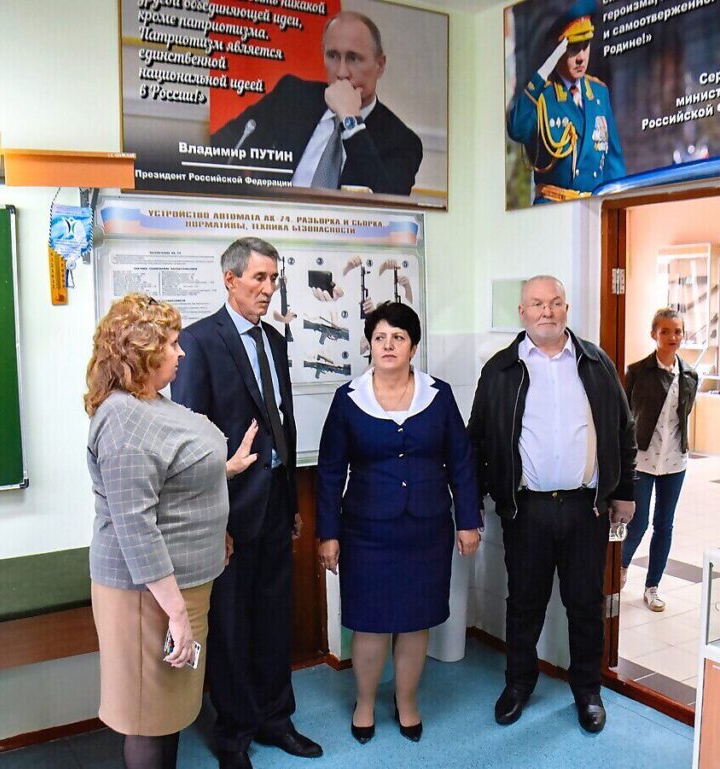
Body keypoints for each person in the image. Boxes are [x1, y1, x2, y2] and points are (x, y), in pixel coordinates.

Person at [85, 294, 258, 769]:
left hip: (180, 588)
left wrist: (223, 471)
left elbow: (169, 479)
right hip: (148, 597)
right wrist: (176, 614)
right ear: (142, 350)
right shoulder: (123, 419)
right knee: (147, 716)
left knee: (170, 711)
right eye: (171, 343)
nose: (181, 353)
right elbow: (135, 525)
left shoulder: (151, 403)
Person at [171, 238, 322, 769]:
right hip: (228, 512)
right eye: (259, 277)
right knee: (232, 626)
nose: (268, 288)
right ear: (230, 279)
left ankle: (277, 719)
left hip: (275, 504)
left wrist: (292, 501)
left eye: (273, 278)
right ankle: (233, 734)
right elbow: (191, 443)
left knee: (275, 619)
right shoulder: (198, 342)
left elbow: (282, 422)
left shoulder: (274, 340)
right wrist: (211, 521)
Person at [467, 275, 636, 734]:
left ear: (566, 309)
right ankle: (518, 685)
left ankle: (588, 691)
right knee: (524, 604)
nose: (547, 311)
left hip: (586, 509)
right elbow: (476, 439)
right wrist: (473, 504)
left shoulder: (596, 363)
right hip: (527, 511)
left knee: (585, 604)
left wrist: (625, 491)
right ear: (522, 312)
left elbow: (623, 431)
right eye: (538, 304)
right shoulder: (500, 370)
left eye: (556, 302)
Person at [316, 302, 481, 745]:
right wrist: (328, 533)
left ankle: (407, 701)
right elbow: (330, 471)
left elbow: (461, 462)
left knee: (414, 621)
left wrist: (468, 520)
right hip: (366, 532)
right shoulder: (348, 399)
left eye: (398, 337)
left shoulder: (438, 395)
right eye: (380, 337)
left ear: (413, 346)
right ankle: (365, 703)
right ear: (369, 344)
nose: (388, 345)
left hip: (426, 529)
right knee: (369, 623)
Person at [211, 11, 423, 196]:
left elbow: (388, 209)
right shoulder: (292, 95)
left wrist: (350, 121)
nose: (341, 72)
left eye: (353, 58)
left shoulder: (402, 142)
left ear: (380, 65)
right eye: (333, 56)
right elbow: (222, 145)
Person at [507, 0, 625, 204]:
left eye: (585, 47)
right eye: (573, 48)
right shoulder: (543, 96)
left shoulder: (599, 93)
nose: (581, 58)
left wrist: (619, 203)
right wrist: (542, 73)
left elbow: (613, 162)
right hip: (554, 208)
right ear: (558, 51)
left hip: (593, 207)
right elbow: (516, 129)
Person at [620, 308, 698, 609]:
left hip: (675, 462)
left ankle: (652, 586)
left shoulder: (689, 375)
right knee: (637, 523)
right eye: (665, 331)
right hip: (642, 459)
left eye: (677, 332)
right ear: (654, 334)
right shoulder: (637, 371)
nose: (672, 337)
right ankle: (621, 567)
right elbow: (624, 415)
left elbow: (683, 416)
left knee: (664, 525)